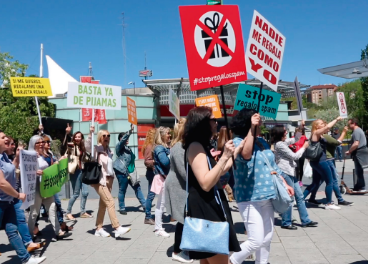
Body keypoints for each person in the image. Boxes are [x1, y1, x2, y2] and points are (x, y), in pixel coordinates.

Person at [229, 109, 294, 264]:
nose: (261, 123)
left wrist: (284, 183)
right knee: (255, 240)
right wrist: (251, 128)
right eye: (258, 120)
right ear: (248, 122)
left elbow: (272, 166)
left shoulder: (261, 142)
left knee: (267, 238)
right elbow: (246, 154)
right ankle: (231, 261)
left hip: (267, 195)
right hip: (249, 197)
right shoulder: (237, 142)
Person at [183, 107, 242, 264]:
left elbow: (218, 172)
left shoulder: (202, 146)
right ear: (202, 123)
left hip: (209, 207)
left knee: (207, 262)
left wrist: (236, 151)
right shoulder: (195, 146)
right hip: (205, 210)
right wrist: (224, 157)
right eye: (213, 120)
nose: (216, 123)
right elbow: (206, 183)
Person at [0, 131, 47, 264]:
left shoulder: (3, 156)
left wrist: (19, 158)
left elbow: (12, 170)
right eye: (3, 138)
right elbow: (2, 183)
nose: (6, 139)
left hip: (7, 201)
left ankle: (26, 259)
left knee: (12, 229)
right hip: (2, 201)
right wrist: (18, 195)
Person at [86, 126, 131, 238]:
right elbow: (88, 147)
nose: (107, 137)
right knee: (110, 202)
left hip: (109, 179)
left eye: (108, 136)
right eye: (104, 136)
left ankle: (99, 228)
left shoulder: (108, 150)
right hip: (100, 180)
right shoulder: (96, 149)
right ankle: (116, 227)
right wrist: (90, 134)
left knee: (103, 205)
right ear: (100, 137)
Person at [271, 125, 318, 230]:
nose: (286, 132)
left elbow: (295, 139)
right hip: (285, 172)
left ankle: (305, 220)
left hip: (291, 172)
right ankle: (286, 222)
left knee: (300, 196)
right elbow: (295, 156)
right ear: (280, 133)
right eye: (285, 131)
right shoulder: (279, 145)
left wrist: (300, 128)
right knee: (290, 197)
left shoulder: (283, 142)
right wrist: (304, 147)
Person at [27, 135, 72, 240]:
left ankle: (58, 231)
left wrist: (58, 162)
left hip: (47, 186)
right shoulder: (29, 157)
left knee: (52, 208)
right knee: (34, 213)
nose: (42, 144)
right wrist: (35, 172)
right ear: (33, 144)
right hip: (36, 188)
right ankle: (28, 236)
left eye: (42, 142)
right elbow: (24, 171)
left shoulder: (43, 155)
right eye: (39, 142)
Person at [164, 118, 193, 263]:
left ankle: (184, 247)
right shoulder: (178, 147)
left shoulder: (182, 145)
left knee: (185, 218)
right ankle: (177, 251)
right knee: (182, 218)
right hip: (178, 186)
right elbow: (184, 171)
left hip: (181, 185)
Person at [303, 117, 344, 210]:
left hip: (316, 161)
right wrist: (336, 120)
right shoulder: (316, 133)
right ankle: (329, 203)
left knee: (315, 183)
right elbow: (327, 127)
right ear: (316, 126)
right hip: (321, 161)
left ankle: (301, 199)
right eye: (321, 124)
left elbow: (326, 128)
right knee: (329, 181)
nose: (323, 124)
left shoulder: (319, 134)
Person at [113, 124, 146, 215]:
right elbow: (123, 140)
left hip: (130, 172)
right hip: (122, 172)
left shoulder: (128, 149)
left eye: (127, 138)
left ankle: (145, 205)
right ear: (120, 139)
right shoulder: (119, 147)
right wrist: (130, 131)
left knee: (137, 188)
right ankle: (122, 207)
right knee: (122, 189)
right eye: (124, 138)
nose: (126, 139)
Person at [42, 134, 73, 231]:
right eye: (46, 142)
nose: (48, 144)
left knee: (57, 204)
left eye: (48, 142)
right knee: (34, 210)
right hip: (44, 185)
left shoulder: (50, 154)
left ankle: (61, 224)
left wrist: (60, 160)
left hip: (51, 184)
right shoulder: (40, 156)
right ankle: (33, 228)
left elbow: (55, 164)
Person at [64, 124, 92, 220]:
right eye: (76, 137)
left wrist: (91, 132)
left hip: (83, 171)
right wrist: (67, 134)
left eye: (79, 137)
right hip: (75, 172)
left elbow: (89, 144)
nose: (77, 138)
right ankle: (68, 212)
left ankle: (83, 211)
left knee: (85, 192)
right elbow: (65, 147)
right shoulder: (71, 146)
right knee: (76, 193)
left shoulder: (83, 147)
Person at [321, 127, 354, 206]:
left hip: (325, 159)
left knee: (317, 183)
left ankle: (307, 199)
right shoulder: (325, 136)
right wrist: (344, 132)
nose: (328, 128)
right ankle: (335, 201)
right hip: (329, 160)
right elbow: (337, 142)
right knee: (332, 181)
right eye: (325, 126)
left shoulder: (320, 135)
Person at [151, 126, 171, 238]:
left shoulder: (164, 147)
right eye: (167, 133)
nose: (169, 135)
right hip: (162, 178)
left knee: (162, 203)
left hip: (164, 177)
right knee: (161, 204)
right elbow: (166, 163)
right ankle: (158, 228)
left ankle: (159, 227)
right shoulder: (159, 148)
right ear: (162, 135)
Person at [346, 118, 368, 192]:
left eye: (349, 124)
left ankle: (362, 187)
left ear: (354, 123)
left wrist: (349, 151)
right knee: (359, 170)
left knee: (359, 170)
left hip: (359, 152)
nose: (348, 126)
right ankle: (358, 186)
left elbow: (356, 143)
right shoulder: (358, 130)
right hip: (360, 152)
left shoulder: (356, 131)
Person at [143, 128, 156, 225]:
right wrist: (155, 162)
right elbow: (147, 161)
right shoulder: (149, 146)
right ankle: (147, 216)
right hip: (152, 173)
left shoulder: (152, 145)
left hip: (153, 172)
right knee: (151, 195)